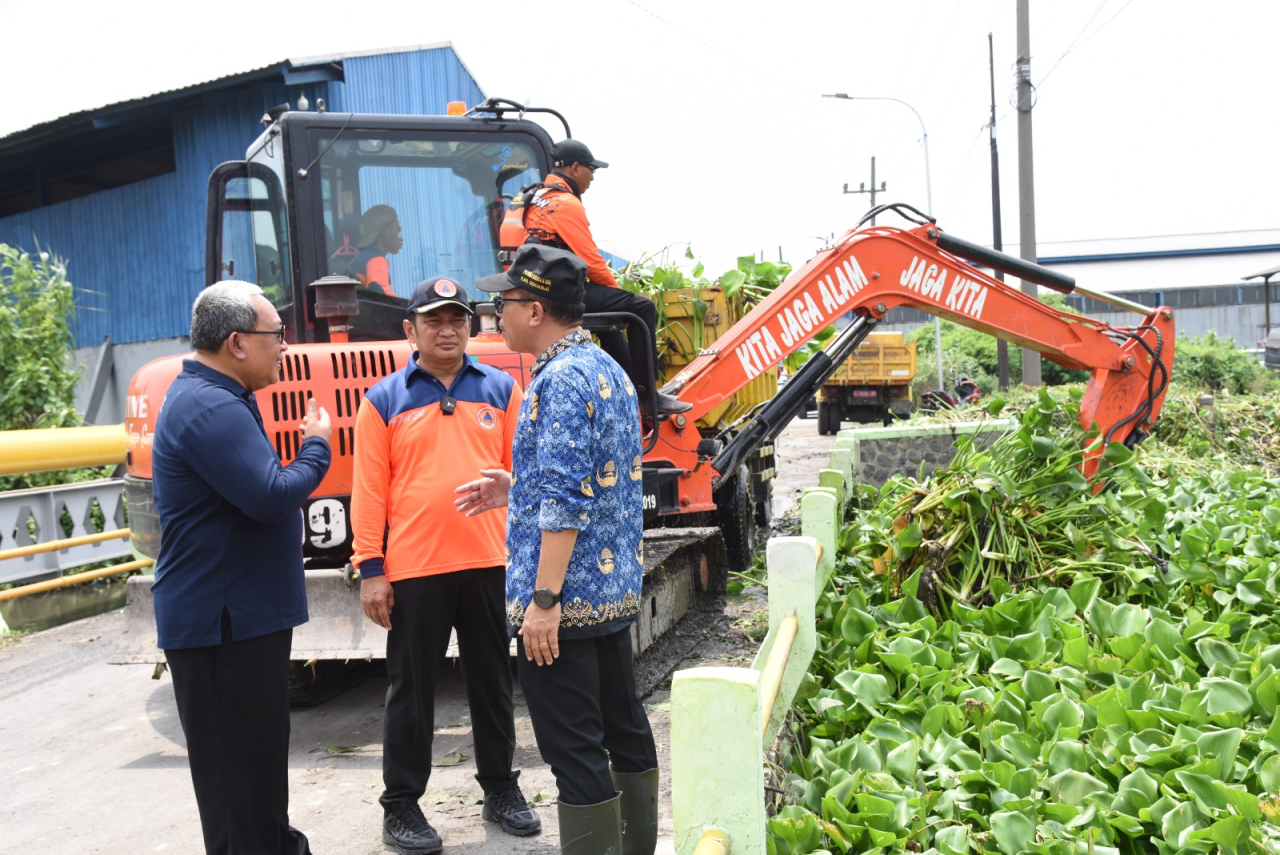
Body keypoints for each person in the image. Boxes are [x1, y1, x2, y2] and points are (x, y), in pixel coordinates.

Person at [458, 244, 660, 855]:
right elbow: (596, 480)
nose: (497, 314)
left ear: (536, 309)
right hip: (609, 593)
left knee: (573, 750)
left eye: (505, 302)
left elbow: (569, 503)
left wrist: (543, 600)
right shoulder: (606, 368)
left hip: (565, 604)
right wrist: (515, 489)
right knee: (624, 729)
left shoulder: (559, 379)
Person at [351, 276, 540, 854]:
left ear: (472, 326)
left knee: (491, 683)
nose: (447, 329)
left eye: (458, 318)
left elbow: (525, 475)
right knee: (411, 692)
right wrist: (371, 568)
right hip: (415, 570)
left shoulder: (503, 390)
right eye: (433, 320)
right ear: (410, 330)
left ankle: (501, 789)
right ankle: (401, 805)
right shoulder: (383, 400)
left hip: (490, 562)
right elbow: (369, 491)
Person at [150, 280, 332, 855]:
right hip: (220, 626)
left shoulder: (221, 396)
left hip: (236, 620)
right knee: (238, 790)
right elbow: (271, 495)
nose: (284, 346)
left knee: (254, 776)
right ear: (236, 342)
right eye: (276, 335)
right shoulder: (208, 405)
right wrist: (317, 446)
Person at [500, 139, 691, 416]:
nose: (592, 178)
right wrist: (619, 296)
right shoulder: (564, 203)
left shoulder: (531, 197)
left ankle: (629, 389)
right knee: (640, 307)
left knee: (608, 322)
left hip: (530, 287)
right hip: (555, 293)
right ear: (575, 168)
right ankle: (649, 398)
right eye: (591, 170)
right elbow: (592, 262)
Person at [346, 204, 404, 295]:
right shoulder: (376, 260)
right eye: (398, 230)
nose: (402, 238)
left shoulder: (361, 258)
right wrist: (407, 307)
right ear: (384, 231)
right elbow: (382, 297)